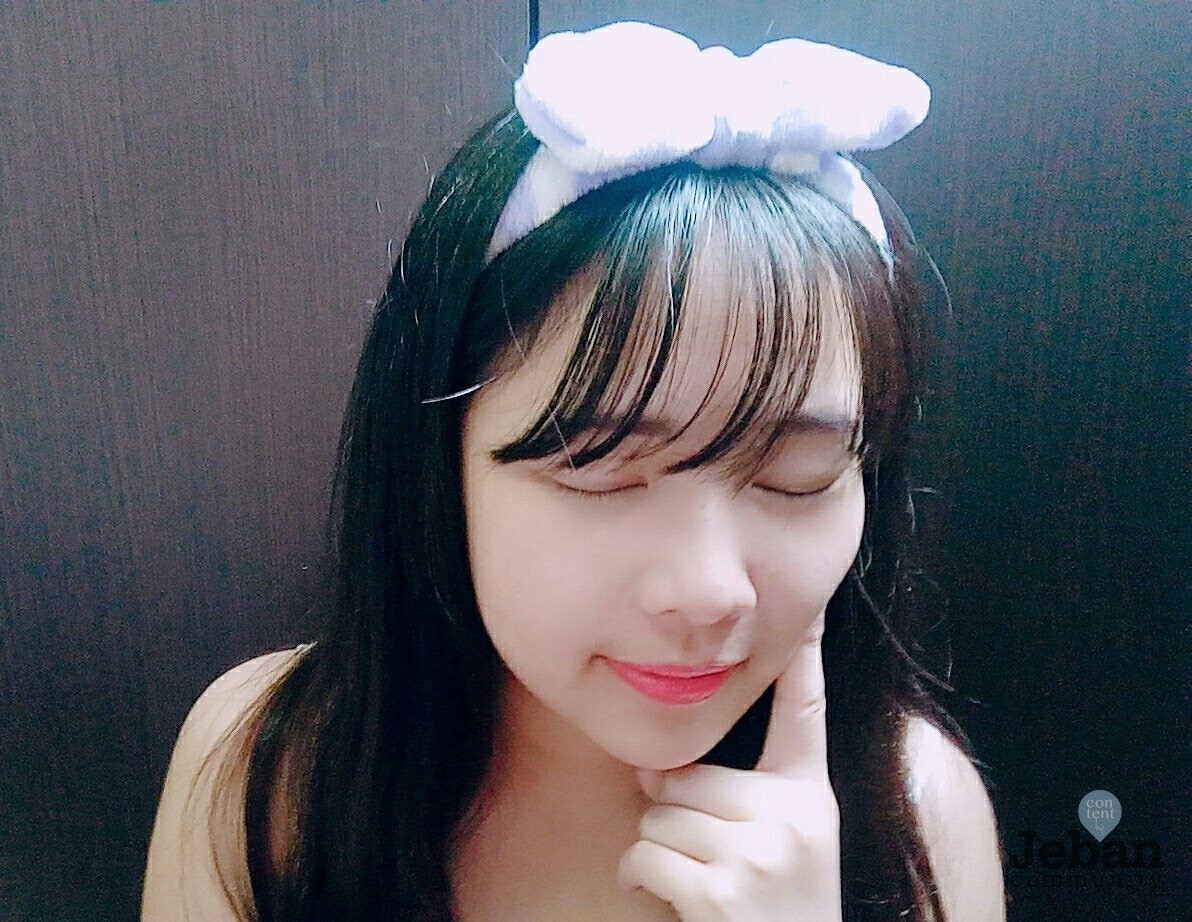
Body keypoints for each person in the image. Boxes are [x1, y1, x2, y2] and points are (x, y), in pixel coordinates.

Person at [142, 21, 1007, 922]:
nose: (708, 592)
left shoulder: (921, 813)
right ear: (440, 467)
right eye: (601, 471)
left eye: (797, 475)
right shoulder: (268, 770)